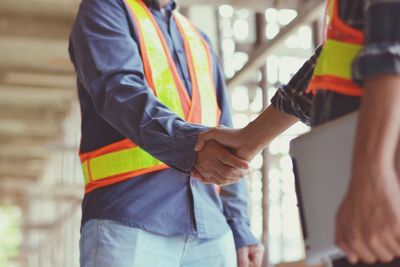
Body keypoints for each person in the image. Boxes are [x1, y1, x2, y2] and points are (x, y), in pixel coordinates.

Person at [194, 0, 400, 266]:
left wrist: (373, 174)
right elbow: (331, 61)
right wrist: (250, 138)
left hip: (381, 182)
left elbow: (391, 52)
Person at [68, 0, 264, 266]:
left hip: (211, 232)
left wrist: (240, 227)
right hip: (130, 219)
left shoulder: (199, 40)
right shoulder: (104, 8)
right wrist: (190, 147)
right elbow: (118, 91)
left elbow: (230, 139)